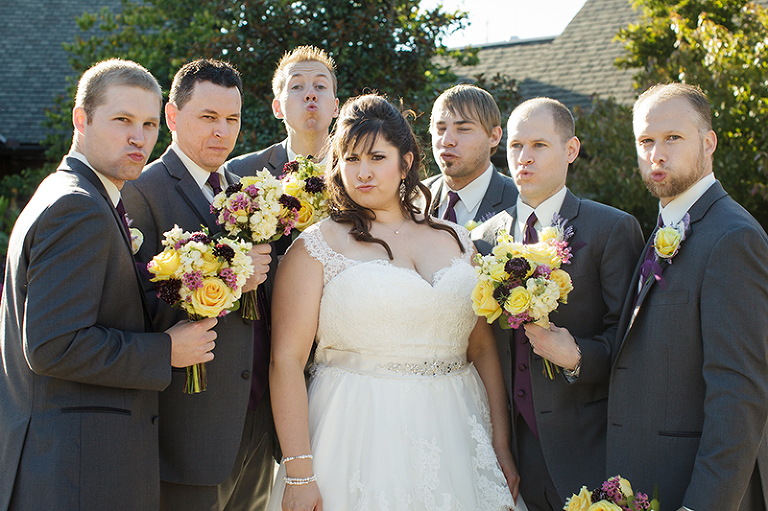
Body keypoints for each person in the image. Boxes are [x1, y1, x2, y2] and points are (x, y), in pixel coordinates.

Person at [268, 93, 518, 510]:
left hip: (457, 430)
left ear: (405, 162)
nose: (362, 173)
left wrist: (501, 443)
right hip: (358, 434)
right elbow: (286, 362)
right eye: (350, 159)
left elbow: (482, 347)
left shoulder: (454, 238)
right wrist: (298, 471)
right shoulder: (315, 247)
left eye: (376, 158)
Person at [0, 59, 217, 510]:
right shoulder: (77, 208)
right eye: (122, 120)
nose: (138, 137)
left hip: (75, 463)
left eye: (149, 124)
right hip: (77, 471)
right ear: (82, 119)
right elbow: (51, 345)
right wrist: (166, 352)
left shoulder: (78, 195)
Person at [472, 97, 644, 511]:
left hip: (587, 447)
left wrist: (578, 357)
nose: (524, 158)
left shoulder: (611, 229)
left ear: (570, 150)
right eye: (515, 146)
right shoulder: (480, 240)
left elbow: (634, 344)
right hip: (509, 455)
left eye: (539, 145)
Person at [122, 59, 275, 511]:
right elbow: (135, 305)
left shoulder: (243, 189)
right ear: (172, 116)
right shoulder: (141, 190)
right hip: (188, 431)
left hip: (257, 423)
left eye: (232, 119)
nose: (222, 132)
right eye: (208, 117)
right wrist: (228, 282)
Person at [606, 83, 768, 511]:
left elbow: (739, 394)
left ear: (708, 142)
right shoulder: (665, 224)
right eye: (646, 141)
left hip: (695, 493)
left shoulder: (734, 238)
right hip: (646, 483)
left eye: (672, 138)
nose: (656, 153)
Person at [226, 45, 339, 176]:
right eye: (297, 86)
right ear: (277, 108)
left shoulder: (362, 169)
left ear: (335, 107)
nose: (311, 94)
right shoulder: (238, 172)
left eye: (320, 86)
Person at [425, 84, 518, 228]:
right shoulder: (408, 200)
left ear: (494, 136)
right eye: (441, 129)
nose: (447, 140)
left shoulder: (521, 203)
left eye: (463, 129)